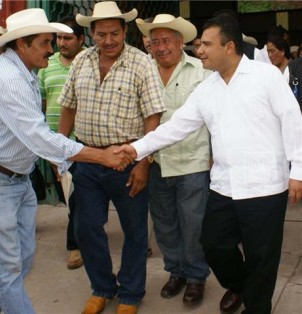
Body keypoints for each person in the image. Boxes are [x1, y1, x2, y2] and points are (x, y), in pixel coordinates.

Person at [116, 13, 302, 314]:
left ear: (229, 47)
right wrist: (136, 149)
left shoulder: (265, 76)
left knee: (261, 257)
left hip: (265, 186)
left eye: (205, 44)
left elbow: (293, 122)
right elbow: (175, 127)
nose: (199, 50)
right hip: (224, 185)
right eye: (199, 44)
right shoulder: (206, 89)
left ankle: (257, 306)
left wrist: (299, 171)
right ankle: (242, 285)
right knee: (214, 245)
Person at [0, 8, 129, 314]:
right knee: (8, 271)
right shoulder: (8, 77)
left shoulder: (22, 70)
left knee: (16, 263)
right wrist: (100, 155)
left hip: (14, 180)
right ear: (21, 44)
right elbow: (39, 137)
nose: (51, 49)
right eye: (44, 43)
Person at [57, 2, 165, 313]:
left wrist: (143, 162)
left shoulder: (141, 63)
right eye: (101, 34)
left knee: (134, 231)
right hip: (88, 159)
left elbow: (153, 116)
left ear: (125, 31)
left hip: (126, 160)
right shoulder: (81, 61)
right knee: (86, 227)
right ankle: (102, 288)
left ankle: (130, 294)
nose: (108, 40)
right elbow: (68, 106)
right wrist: (61, 149)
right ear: (90, 34)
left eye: (114, 33)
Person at [135, 14, 212, 306]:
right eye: (154, 42)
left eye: (166, 40)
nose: (160, 47)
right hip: (156, 163)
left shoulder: (201, 72)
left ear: (180, 43)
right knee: (165, 224)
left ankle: (195, 277)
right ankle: (175, 271)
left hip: (192, 161)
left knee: (193, 225)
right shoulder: (144, 71)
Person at [37, 15, 85, 270]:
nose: (61, 43)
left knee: (79, 196)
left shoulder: (91, 61)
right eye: (59, 38)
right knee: (69, 195)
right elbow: (41, 105)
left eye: (68, 38)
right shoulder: (46, 64)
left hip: (85, 142)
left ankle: (74, 245)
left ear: (81, 39)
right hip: (56, 142)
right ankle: (82, 234)